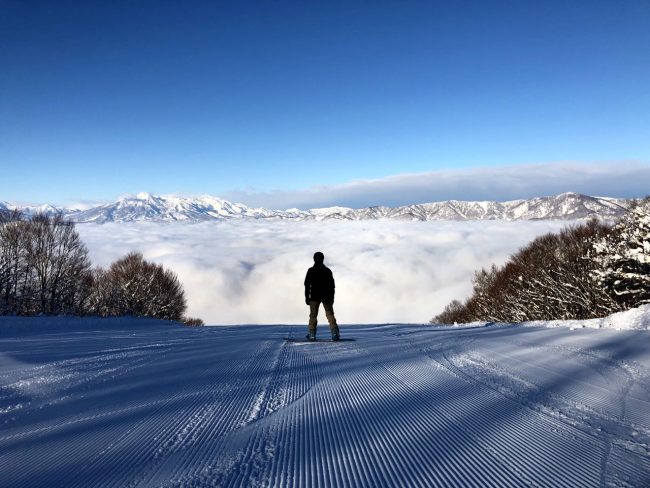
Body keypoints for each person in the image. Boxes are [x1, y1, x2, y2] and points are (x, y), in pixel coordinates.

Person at [304, 251, 340, 341]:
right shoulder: (327, 271)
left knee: (313, 315)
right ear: (323, 259)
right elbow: (332, 286)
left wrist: (307, 297)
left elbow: (307, 285)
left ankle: (312, 334)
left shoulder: (311, 270)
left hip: (314, 296)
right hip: (326, 296)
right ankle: (335, 333)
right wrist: (332, 298)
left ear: (314, 259)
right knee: (330, 314)